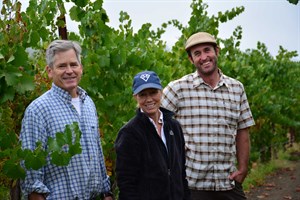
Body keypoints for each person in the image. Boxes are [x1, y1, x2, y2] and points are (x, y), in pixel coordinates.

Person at [161, 32, 255, 200]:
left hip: (228, 182)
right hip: (192, 185)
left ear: (216, 51)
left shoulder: (236, 88)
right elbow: (153, 124)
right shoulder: (178, 89)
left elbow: (243, 131)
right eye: (197, 54)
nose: (204, 57)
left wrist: (242, 168)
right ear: (191, 59)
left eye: (207, 50)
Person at [20, 40, 113, 200]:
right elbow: (31, 176)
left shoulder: (88, 103)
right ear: (50, 71)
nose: (69, 71)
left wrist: (107, 193)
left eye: (73, 64)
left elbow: (97, 153)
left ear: (81, 68)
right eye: (62, 66)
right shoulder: (38, 110)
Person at [115, 71, 191, 200]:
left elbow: (181, 173)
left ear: (161, 92)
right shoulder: (129, 133)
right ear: (135, 97)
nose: (149, 99)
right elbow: (126, 184)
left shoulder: (174, 126)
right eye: (143, 95)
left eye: (153, 92)